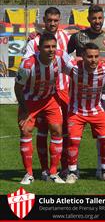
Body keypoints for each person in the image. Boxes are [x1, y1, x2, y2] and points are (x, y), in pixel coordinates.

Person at [68, 4, 105, 179]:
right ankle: (72, 170)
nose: (97, 21)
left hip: (104, 91)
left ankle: (102, 170)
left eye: (100, 18)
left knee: (103, 134)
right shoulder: (78, 37)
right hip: (80, 92)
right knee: (73, 135)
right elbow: (62, 53)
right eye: (94, 18)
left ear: (103, 18)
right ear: (88, 19)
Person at [23, 7, 70, 180]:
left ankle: (65, 167)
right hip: (41, 92)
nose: (52, 24)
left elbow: (75, 58)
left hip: (62, 90)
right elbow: (27, 64)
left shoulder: (67, 37)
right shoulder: (34, 41)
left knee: (62, 130)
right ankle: (44, 170)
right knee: (42, 131)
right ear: (44, 20)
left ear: (59, 21)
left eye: (55, 20)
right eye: (49, 20)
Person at [15, 33, 66, 184]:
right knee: (26, 130)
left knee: (57, 129)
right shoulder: (27, 64)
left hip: (50, 99)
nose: (51, 50)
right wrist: (24, 109)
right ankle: (29, 174)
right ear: (39, 48)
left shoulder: (60, 57)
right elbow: (18, 88)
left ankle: (53, 172)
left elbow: (74, 69)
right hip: (30, 100)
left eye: (53, 46)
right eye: (47, 47)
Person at [64, 43, 105, 184]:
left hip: (96, 110)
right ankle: (73, 172)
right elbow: (58, 55)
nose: (93, 60)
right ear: (83, 57)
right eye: (90, 57)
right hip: (76, 110)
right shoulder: (73, 68)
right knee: (73, 141)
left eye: (96, 56)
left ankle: (104, 172)